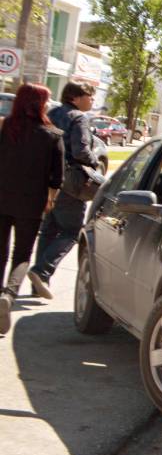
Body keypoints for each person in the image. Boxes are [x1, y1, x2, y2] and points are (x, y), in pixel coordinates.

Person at [0, 85, 64, 334]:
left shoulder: (4, 127)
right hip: (31, 202)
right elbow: (57, 178)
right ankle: (9, 294)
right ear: (40, 104)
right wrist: (50, 199)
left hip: (2, 198)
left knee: (1, 251)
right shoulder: (52, 135)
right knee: (22, 254)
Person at [28, 82, 100, 300]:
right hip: (70, 182)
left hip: (46, 179)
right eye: (90, 96)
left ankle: (38, 282)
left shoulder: (52, 113)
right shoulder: (79, 117)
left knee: (49, 228)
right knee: (71, 230)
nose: (92, 100)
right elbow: (80, 151)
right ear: (76, 97)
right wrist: (94, 161)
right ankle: (41, 271)